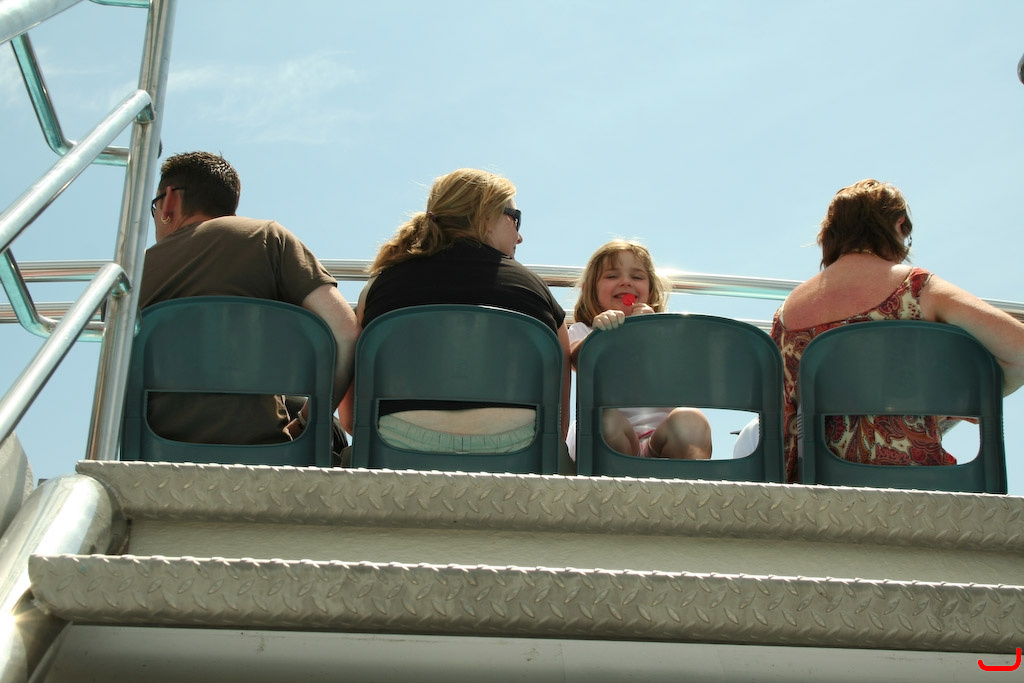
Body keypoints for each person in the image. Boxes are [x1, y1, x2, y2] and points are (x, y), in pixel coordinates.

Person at [772, 178, 1024, 483]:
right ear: (899, 224)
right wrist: (962, 401)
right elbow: (1019, 351)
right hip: (915, 483)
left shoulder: (786, 312)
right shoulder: (916, 288)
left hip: (812, 487)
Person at [339, 168, 571, 459]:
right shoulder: (537, 291)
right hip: (518, 450)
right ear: (486, 215)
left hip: (396, 448)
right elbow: (558, 425)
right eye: (516, 219)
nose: (520, 236)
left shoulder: (379, 287)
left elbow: (352, 419)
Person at [140, 151, 359, 450]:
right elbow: (345, 334)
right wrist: (306, 421)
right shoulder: (266, 238)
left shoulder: (129, 276)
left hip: (154, 448)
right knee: (328, 432)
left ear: (169, 201)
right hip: (264, 450)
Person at [568, 239, 713, 461]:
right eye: (612, 276)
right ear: (590, 289)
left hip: (660, 443)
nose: (626, 282)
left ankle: (685, 481)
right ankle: (618, 480)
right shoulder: (584, 330)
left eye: (637, 277)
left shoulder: (666, 334)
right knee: (604, 421)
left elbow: (686, 376)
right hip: (612, 442)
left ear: (651, 290)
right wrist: (600, 337)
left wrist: (654, 334)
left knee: (692, 420)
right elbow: (576, 359)